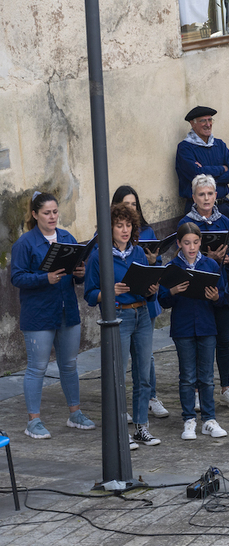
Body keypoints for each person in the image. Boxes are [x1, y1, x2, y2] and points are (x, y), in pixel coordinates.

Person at [11, 192, 95, 439]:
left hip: (67, 310)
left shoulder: (67, 238)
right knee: (36, 367)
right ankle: (33, 421)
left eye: (55, 212)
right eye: (46, 213)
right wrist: (43, 278)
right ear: (35, 214)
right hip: (38, 314)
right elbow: (17, 277)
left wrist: (80, 272)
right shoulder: (25, 243)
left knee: (69, 365)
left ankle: (75, 413)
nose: (52, 217)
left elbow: (77, 277)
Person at [85, 203, 161, 447]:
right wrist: (108, 291)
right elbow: (89, 294)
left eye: (128, 225)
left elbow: (146, 287)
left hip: (141, 314)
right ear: (110, 228)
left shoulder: (138, 252)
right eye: (119, 226)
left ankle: (141, 427)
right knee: (118, 375)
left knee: (144, 374)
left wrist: (152, 290)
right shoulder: (99, 255)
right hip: (119, 317)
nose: (125, 230)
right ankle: (119, 429)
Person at [159, 223, 229, 440]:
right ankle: (189, 419)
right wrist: (172, 290)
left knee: (207, 377)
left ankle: (209, 419)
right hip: (183, 327)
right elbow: (162, 299)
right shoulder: (171, 267)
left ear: (201, 243)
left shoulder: (210, 265)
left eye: (196, 242)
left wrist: (216, 297)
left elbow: (224, 297)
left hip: (207, 326)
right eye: (187, 243)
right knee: (187, 376)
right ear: (179, 244)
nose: (191, 247)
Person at [179, 175, 229, 411]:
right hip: (196, 291)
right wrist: (207, 258)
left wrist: (226, 258)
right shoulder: (186, 223)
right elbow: (182, 254)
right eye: (201, 194)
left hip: (220, 288)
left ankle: (226, 388)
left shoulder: (224, 221)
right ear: (194, 197)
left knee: (223, 340)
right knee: (199, 341)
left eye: (210, 194)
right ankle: (196, 391)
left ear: (216, 196)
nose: (206, 198)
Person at [113, 185, 170, 420]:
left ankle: (147, 407)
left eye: (134, 205)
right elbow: (92, 288)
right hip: (121, 310)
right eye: (125, 205)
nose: (126, 228)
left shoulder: (142, 239)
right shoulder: (103, 248)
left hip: (144, 306)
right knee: (120, 362)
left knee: (145, 361)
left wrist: (154, 267)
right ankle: (120, 409)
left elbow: (150, 272)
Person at [175, 106, 229, 219]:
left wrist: (205, 175)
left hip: (222, 208)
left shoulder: (220, 145)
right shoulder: (185, 148)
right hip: (196, 211)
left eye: (210, 120)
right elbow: (194, 174)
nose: (208, 124)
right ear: (192, 124)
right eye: (203, 121)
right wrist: (222, 169)